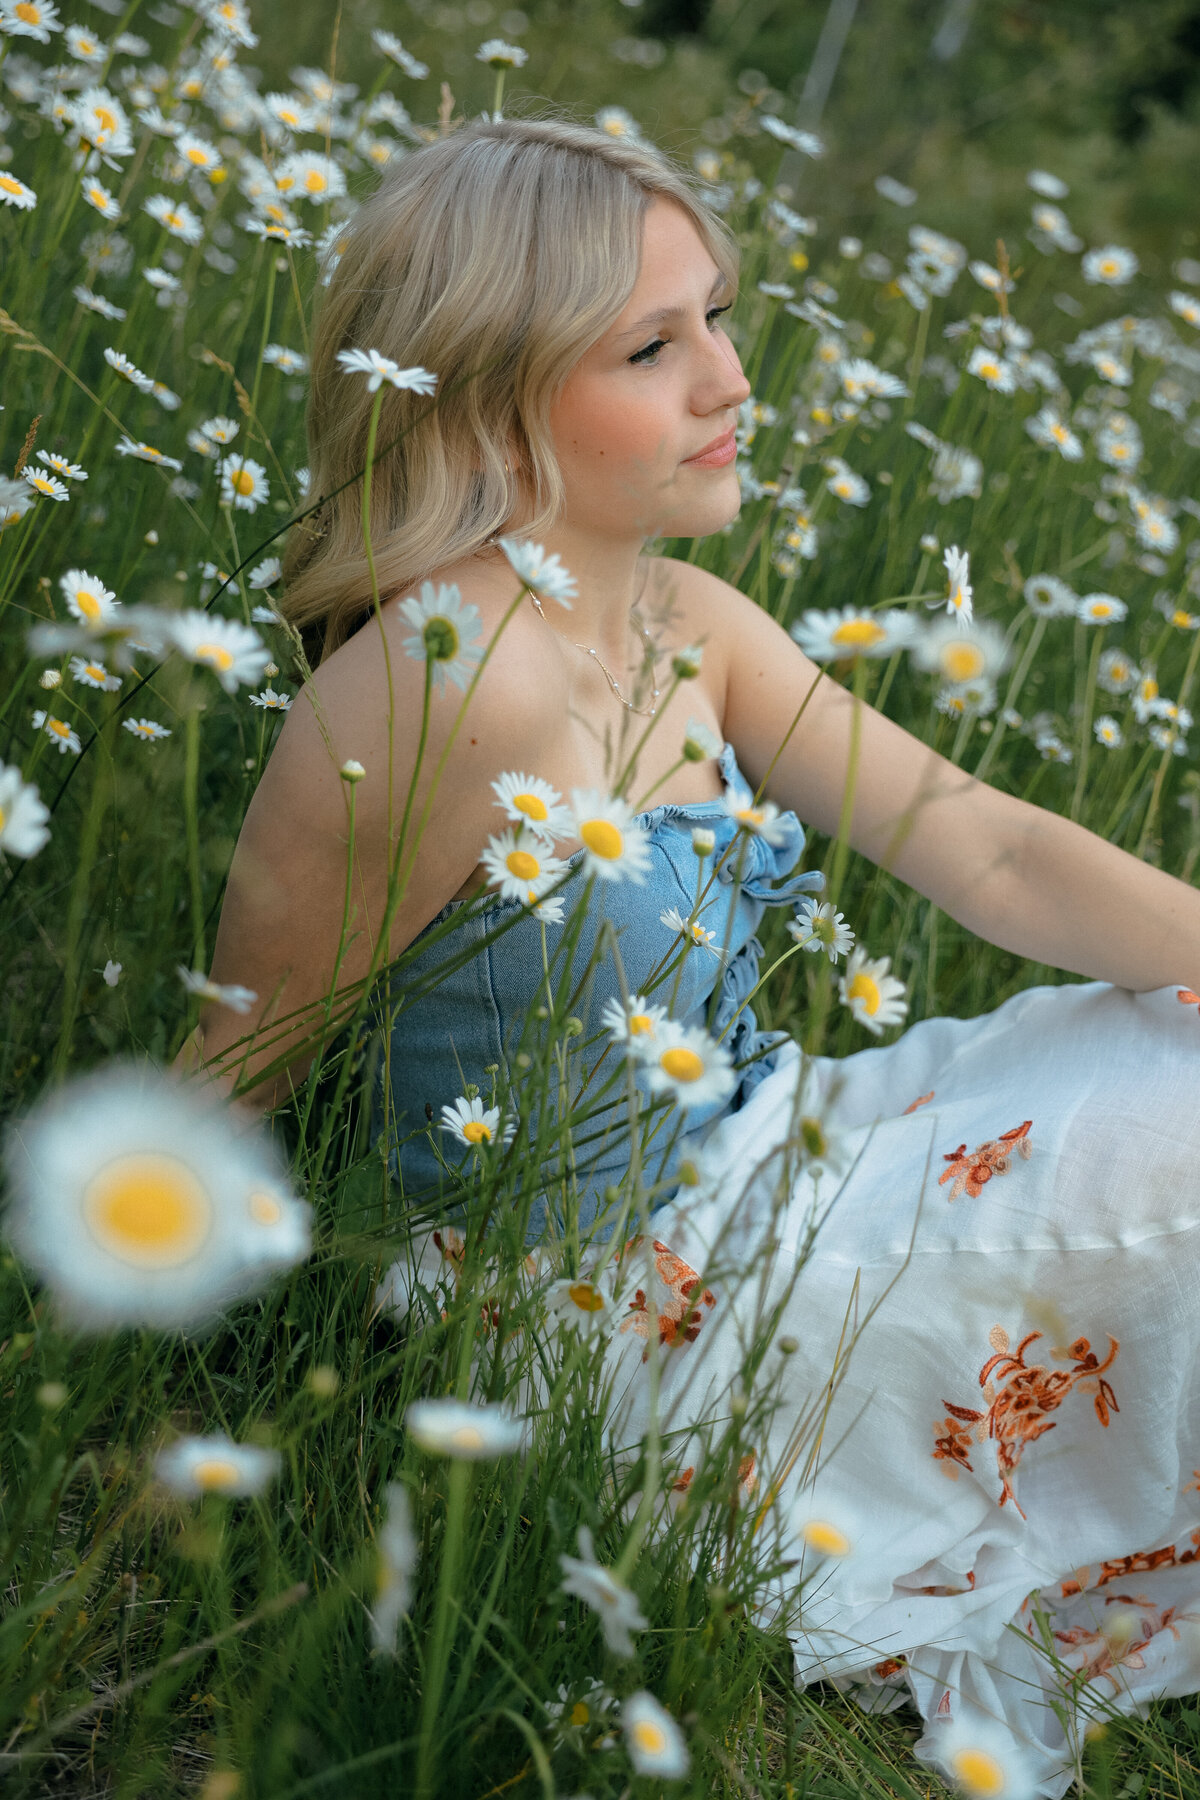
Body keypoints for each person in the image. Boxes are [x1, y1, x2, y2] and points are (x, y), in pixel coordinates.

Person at [197, 114, 1200, 1798]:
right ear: (486, 389)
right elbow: (242, 1061)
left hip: (773, 1143)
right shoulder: (435, 686)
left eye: (718, 318)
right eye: (655, 346)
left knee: (1165, 1039)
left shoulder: (684, 624)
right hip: (597, 1317)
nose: (733, 379)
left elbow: (981, 839)